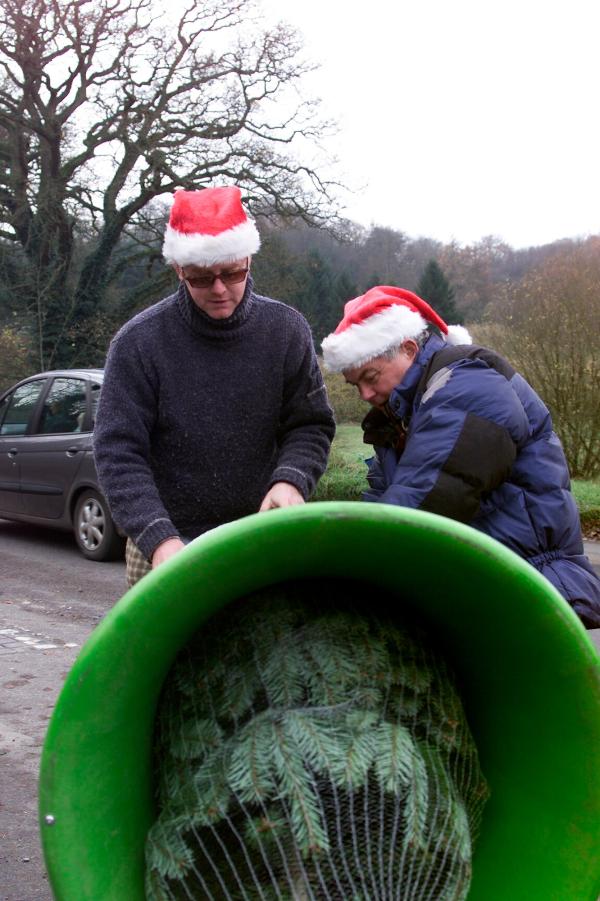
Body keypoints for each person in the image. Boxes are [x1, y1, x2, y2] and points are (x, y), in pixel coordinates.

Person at [94, 185, 335, 586]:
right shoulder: (138, 343)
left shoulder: (286, 330)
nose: (220, 289)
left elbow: (309, 424)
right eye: (202, 278)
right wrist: (159, 538)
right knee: (166, 650)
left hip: (258, 534)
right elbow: (118, 451)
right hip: (165, 539)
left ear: (249, 259)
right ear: (179, 270)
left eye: (233, 273)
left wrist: (290, 479)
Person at [321, 285, 600, 629]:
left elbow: (428, 495)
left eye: (370, 377)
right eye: (355, 385)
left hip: (532, 584)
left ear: (408, 349)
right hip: (491, 583)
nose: (365, 394)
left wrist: (344, 571)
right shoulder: (402, 417)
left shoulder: (466, 384)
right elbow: (381, 502)